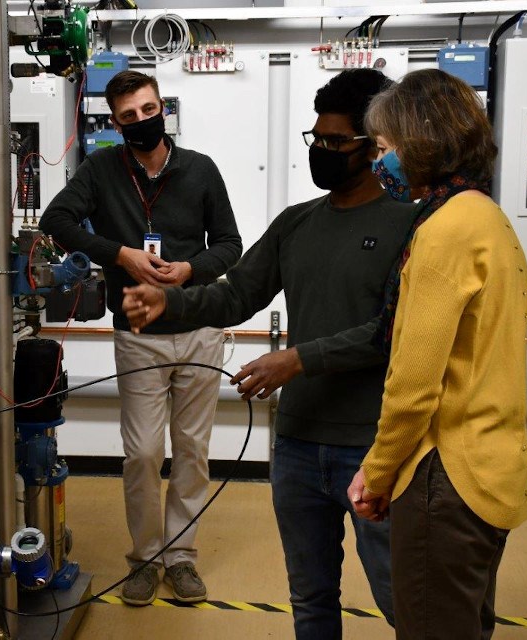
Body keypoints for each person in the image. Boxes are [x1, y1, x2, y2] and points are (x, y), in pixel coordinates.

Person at [122, 69, 416, 638]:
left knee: (400, 597)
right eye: (316, 140)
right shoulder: (298, 223)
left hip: (377, 446)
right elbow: (237, 293)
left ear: (373, 144)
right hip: (300, 447)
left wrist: (297, 359)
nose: (322, 152)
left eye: (336, 143)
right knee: (309, 600)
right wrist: (170, 303)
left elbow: (393, 331)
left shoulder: (413, 224)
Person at [39, 70, 242, 606]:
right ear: (114, 121)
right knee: (144, 454)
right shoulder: (101, 169)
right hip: (139, 333)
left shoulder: (200, 170)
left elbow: (230, 244)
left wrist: (190, 270)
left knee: (193, 452)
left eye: (149, 111)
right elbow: (56, 218)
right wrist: (120, 253)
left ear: (162, 110)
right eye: (128, 116)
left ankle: (181, 558)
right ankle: (146, 559)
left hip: (198, 328)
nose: (141, 122)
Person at [347, 68, 527, 640]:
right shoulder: (489, 218)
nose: (379, 164)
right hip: (492, 467)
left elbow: (415, 382)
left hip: (445, 477)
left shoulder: (446, 229)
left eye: (383, 149)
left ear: (419, 143)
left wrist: (376, 474)